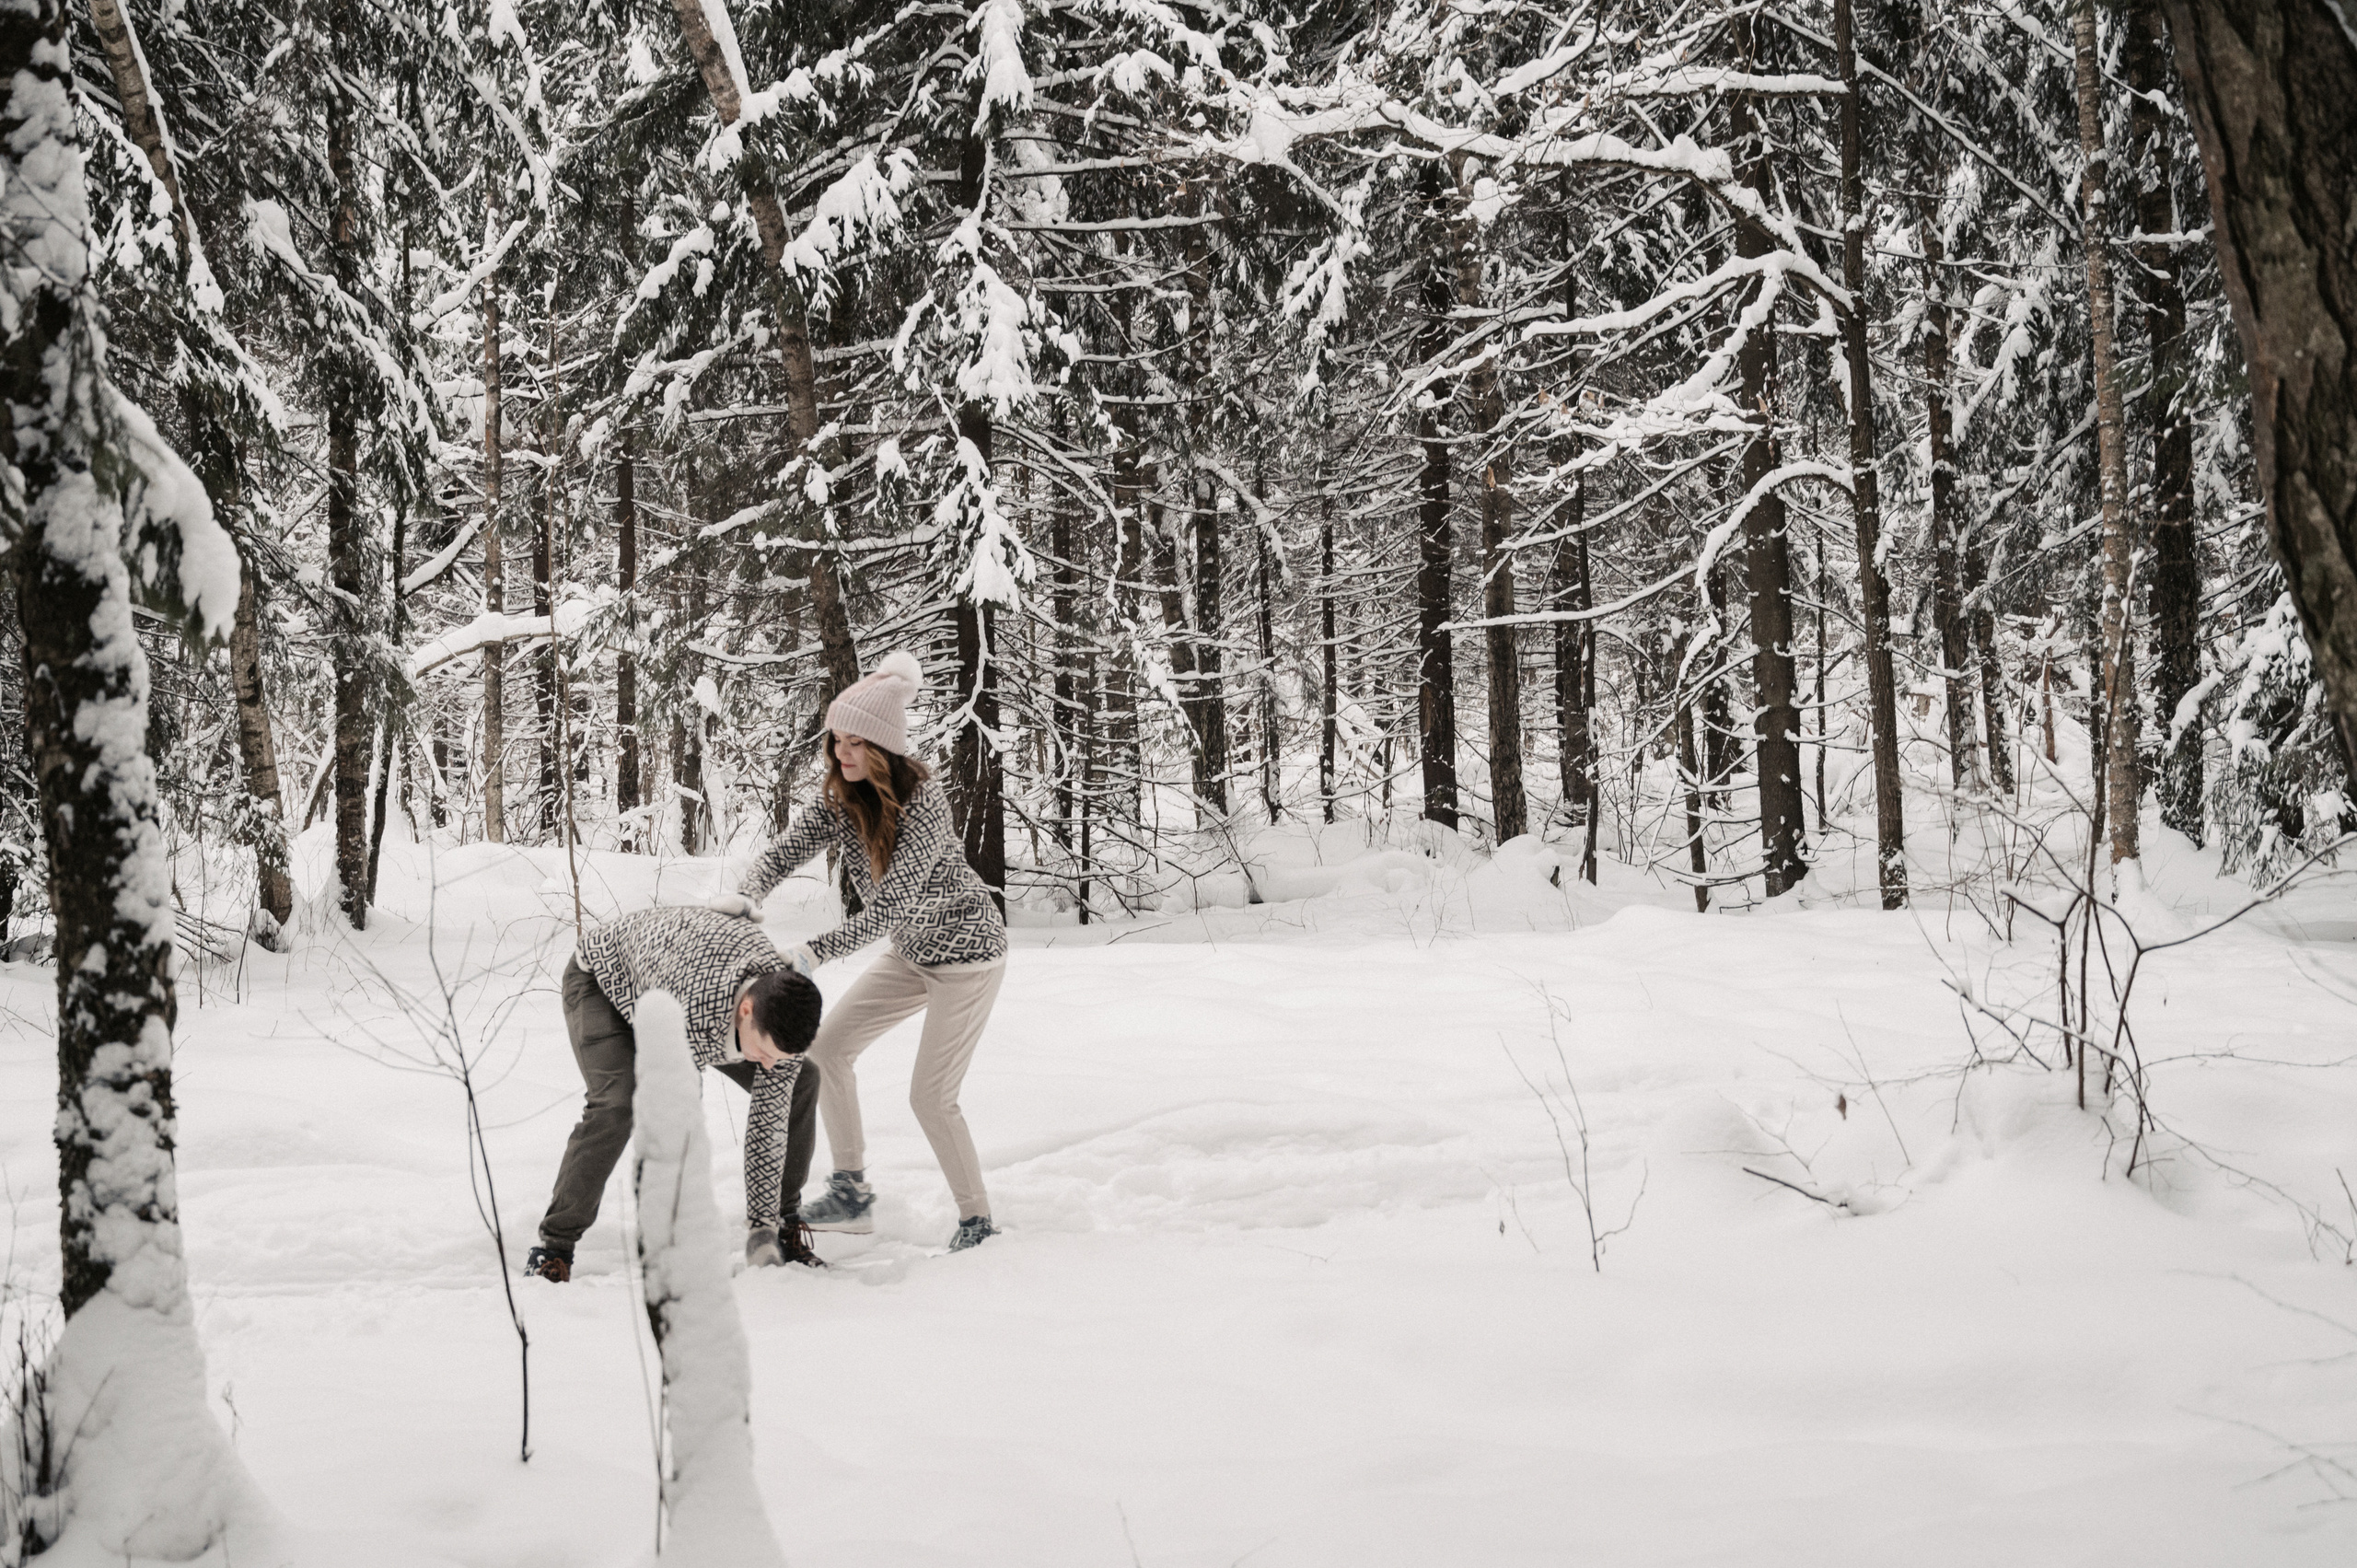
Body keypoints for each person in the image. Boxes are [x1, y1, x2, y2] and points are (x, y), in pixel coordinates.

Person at [737, 649, 1010, 1252]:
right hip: (914, 953)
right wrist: (745, 895)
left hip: (968, 955)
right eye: (837, 740)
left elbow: (891, 909)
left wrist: (810, 952)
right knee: (827, 1051)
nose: (843, 753)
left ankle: (977, 1221)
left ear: (885, 747)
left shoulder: (925, 804)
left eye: (857, 743)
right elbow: (785, 851)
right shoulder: (842, 797)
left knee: (931, 1097)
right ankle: (851, 1191)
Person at [524, 904, 825, 1282]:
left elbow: (769, 1122)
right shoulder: (693, 1008)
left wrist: (762, 1229)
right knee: (618, 1104)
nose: (767, 1065)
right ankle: (553, 1247)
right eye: (763, 1052)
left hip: (684, 978)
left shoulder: (782, 1011)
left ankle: (784, 1225)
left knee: (802, 1079)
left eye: (777, 1057)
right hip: (603, 980)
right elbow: (678, 1121)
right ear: (746, 1010)